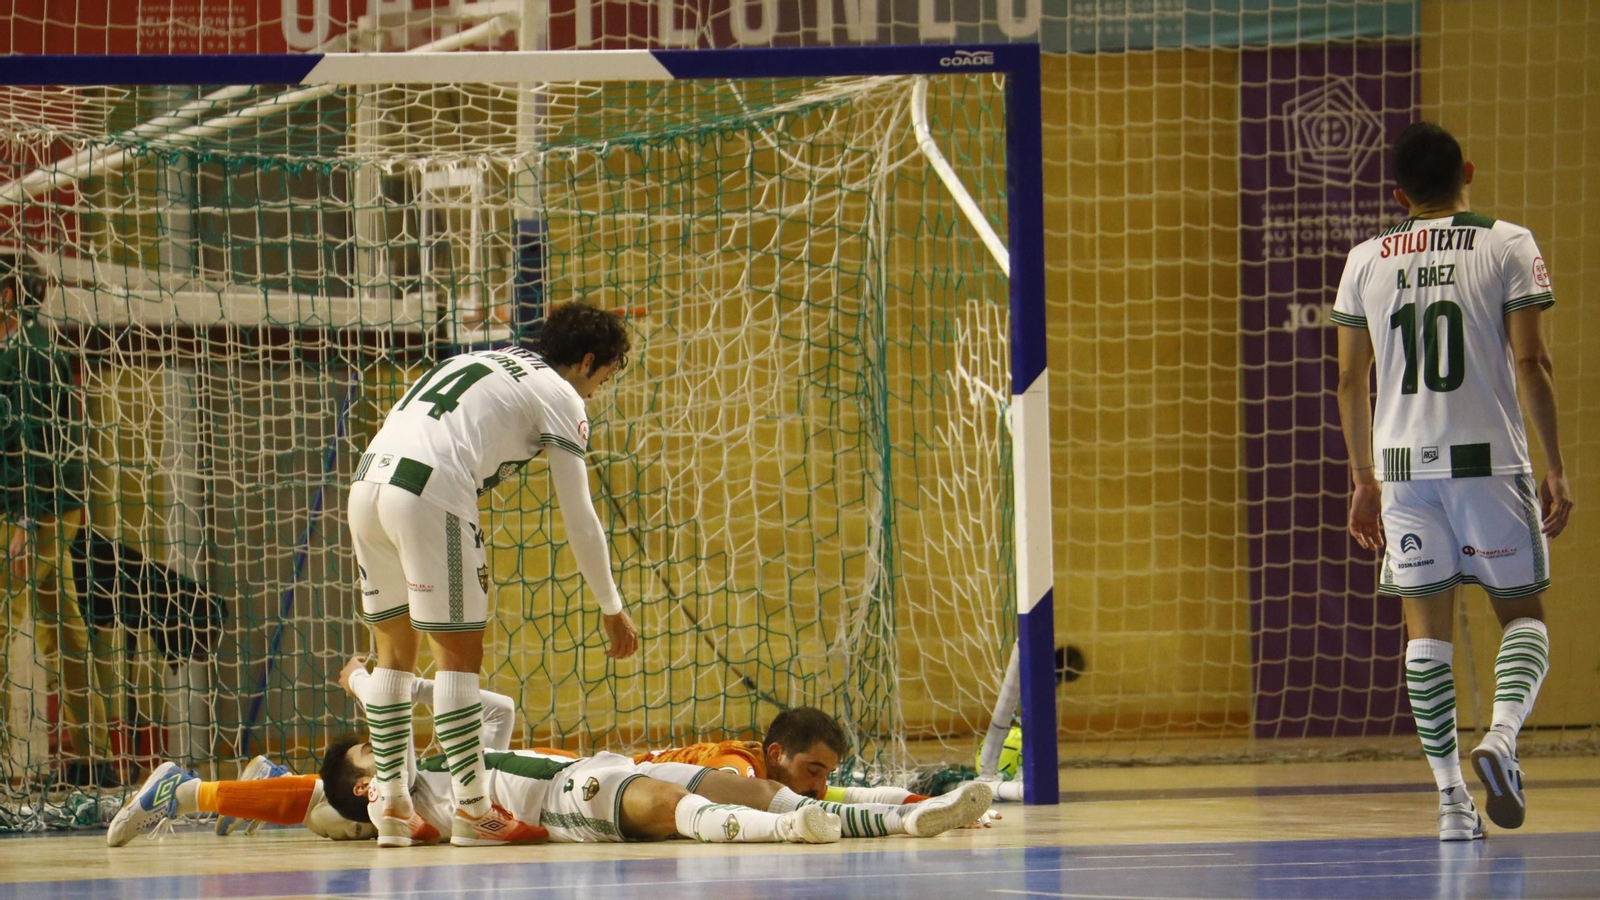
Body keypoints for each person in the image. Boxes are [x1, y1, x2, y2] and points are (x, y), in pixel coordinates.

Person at [1332, 121, 1572, 841]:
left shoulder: (1365, 259)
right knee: (1523, 617)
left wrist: (1363, 478)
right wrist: (1556, 465)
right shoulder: (1507, 242)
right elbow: (1531, 364)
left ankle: (1448, 803)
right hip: (1488, 463)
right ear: (1468, 171)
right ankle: (1500, 737)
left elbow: (1349, 378)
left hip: (1403, 471)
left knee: (1425, 636)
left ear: (1396, 194)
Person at [348, 300, 640, 846]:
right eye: (606, 373)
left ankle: (391, 806)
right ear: (587, 361)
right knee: (458, 657)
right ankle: (474, 809)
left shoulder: (482, 359)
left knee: (393, 654)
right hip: (429, 493)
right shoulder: (560, 394)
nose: (599, 387)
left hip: (367, 485)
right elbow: (579, 514)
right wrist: (612, 608)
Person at [0, 252, 113, 787]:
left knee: (9, 624)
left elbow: (26, 442)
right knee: (65, 626)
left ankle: (10, 763)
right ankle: (96, 752)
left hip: (29, 511)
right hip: (58, 505)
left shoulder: (15, 355)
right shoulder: (47, 349)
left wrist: (24, 519)